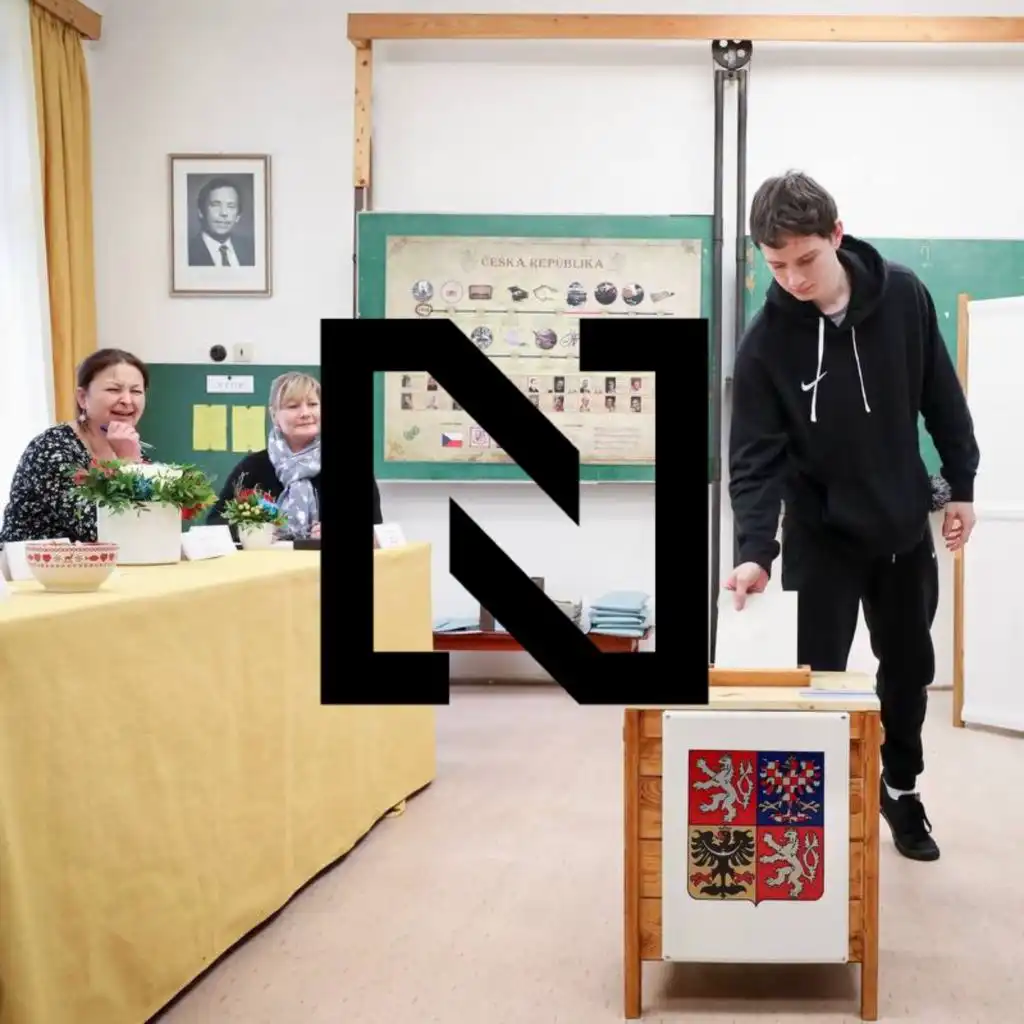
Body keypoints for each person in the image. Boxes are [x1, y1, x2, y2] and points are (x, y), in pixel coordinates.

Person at [724, 171, 980, 863]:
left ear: (836, 235)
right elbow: (752, 459)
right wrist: (754, 551)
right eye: (777, 266)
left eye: (806, 259)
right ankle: (804, 817)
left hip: (900, 527)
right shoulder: (766, 342)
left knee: (908, 671)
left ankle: (900, 789)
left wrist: (960, 482)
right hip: (820, 536)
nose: (794, 280)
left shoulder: (903, 295)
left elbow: (941, 395)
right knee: (814, 680)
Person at [0, 348, 149, 543]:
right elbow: (95, 529)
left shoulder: (130, 447)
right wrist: (129, 463)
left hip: (110, 561)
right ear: (82, 398)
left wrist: (131, 460)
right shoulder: (52, 447)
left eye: (136, 391)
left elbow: (151, 521)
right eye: (114, 390)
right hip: (36, 561)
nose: (127, 400)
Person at [206, 372, 369, 541]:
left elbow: (376, 529)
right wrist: (256, 530)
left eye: (313, 404)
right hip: (268, 558)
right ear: (274, 415)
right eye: (293, 406)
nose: (305, 413)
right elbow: (215, 524)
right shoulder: (252, 468)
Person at [187, 177, 255, 267]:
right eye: (215, 205)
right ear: (201, 212)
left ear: (238, 216)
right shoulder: (187, 252)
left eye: (231, 206)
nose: (223, 213)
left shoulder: (251, 250)